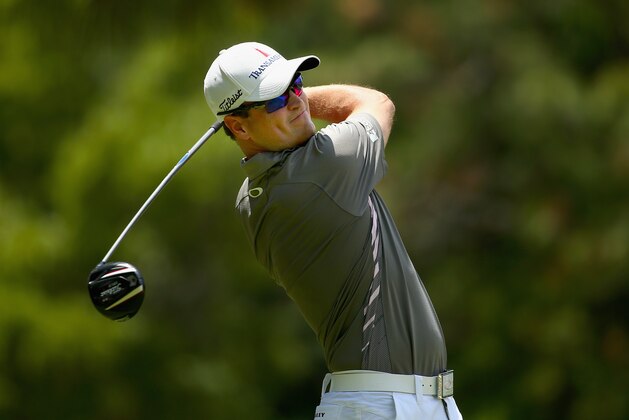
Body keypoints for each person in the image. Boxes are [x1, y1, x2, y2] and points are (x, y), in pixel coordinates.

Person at [203, 41, 463, 420]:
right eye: (274, 99)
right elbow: (376, 103)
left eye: (296, 84)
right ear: (237, 125)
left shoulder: (250, 199)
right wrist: (307, 96)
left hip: (390, 402)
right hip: (387, 406)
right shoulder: (320, 170)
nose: (295, 101)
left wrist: (280, 97)